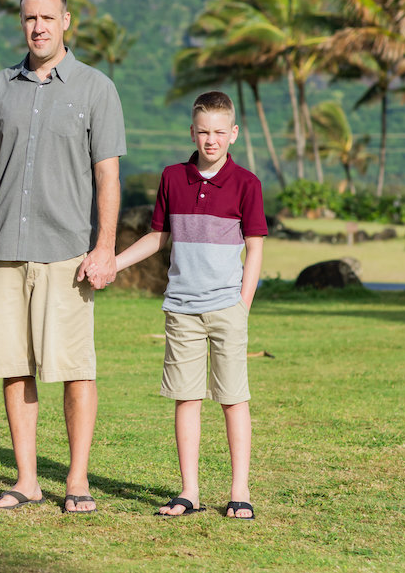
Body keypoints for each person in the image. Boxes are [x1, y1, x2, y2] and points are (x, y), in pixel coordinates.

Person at [0, 0, 125, 514]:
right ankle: (26, 480)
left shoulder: (97, 88)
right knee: (14, 365)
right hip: (4, 249)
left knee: (75, 368)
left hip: (68, 252)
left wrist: (106, 246)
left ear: (66, 20)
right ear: (21, 23)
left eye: (48, 17)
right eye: (29, 18)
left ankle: (76, 479)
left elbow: (107, 177)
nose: (38, 26)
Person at [114, 91, 266, 520]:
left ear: (233, 134)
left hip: (227, 308)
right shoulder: (172, 177)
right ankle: (189, 491)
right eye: (204, 132)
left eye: (220, 132)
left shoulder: (246, 184)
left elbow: (254, 248)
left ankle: (240, 491)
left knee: (234, 398)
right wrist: (114, 261)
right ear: (192, 132)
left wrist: (243, 304)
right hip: (181, 308)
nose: (211, 140)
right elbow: (158, 236)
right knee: (187, 398)